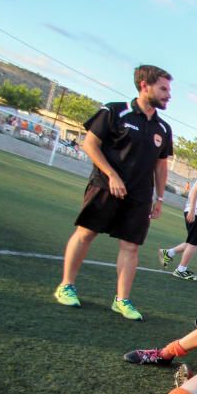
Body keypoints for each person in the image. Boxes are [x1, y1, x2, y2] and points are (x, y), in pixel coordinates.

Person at [55, 64, 174, 321]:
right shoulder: (115, 111)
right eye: (163, 88)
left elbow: (161, 165)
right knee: (86, 233)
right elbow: (90, 144)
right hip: (105, 185)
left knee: (131, 246)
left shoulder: (163, 129)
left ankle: (122, 300)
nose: (168, 95)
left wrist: (160, 197)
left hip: (140, 195)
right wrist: (112, 175)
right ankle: (66, 285)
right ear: (145, 85)